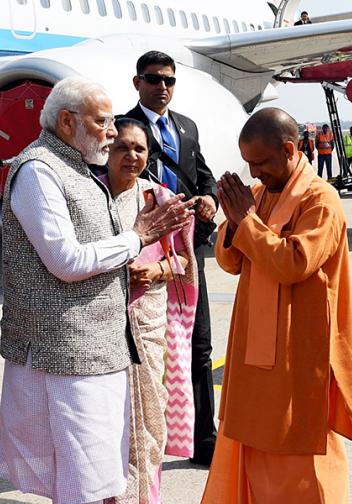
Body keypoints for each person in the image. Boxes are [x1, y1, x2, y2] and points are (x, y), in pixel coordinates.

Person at [0, 76, 192, 503]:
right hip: (63, 355)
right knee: (81, 481)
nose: (111, 131)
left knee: (98, 477)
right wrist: (136, 239)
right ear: (67, 122)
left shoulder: (77, 169)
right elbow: (66, 260)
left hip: (99, 352)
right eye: (102, 121)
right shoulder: (39, 171)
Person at [201, 107, 352, 504]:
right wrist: (236, 224)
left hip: (297, 355)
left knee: (301, 462)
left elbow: (294, 264)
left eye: (261, 163)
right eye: (248, 163)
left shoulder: (320, 199)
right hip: (254, 356)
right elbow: (231, 262)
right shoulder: (258, 196)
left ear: (289, 150)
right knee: (255, 450)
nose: (254, 173)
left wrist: (247, 223)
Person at [124, 50, 219, 465]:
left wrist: (210, 200)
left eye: (169, 80)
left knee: (198, 345)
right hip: (144, 252)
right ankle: (141, 440)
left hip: (186, 253)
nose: (162, 87)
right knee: (144, 349)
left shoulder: (186, 127)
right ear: (137, 83)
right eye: (153, 79)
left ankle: (204, 440)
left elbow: (204, 177)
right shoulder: (124, 128)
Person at [102, 118, 198, 503]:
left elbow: (185, 263)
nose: (131, 156)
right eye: (122, 147)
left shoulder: (161, 200)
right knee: (106, 422)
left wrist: (156, 269)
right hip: (99, 326)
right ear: (105, 150)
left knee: (148, 418)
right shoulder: (90, 198)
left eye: (139, 148)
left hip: (147, 322)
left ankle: (145, 497)